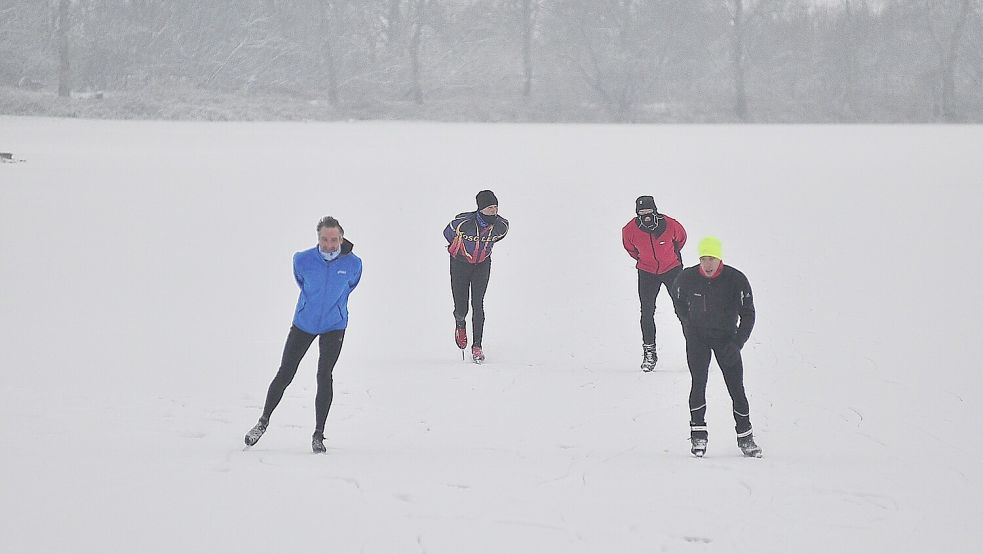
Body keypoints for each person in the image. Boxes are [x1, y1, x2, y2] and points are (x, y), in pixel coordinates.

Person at [244, 216, 362, 454]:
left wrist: (335, 309)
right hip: (304, 324)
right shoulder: (303, 260)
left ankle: (318, 434)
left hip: (334, 325)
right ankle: (263, 421)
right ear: (318, 238)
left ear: (341, 238)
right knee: (285, 372)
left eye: (334, 239)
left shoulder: (353, 263)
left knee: (324, 375)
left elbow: (351, 285)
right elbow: (302, 282)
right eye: (324, 239)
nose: (329, 244)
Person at [672, 236, 762, 458]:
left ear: (719, 258)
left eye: (711, 258)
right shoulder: (687, 278)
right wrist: (688, 323)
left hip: (726, 340)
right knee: (698, 384)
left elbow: (748, 314)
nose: (708, 264)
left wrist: (738, 342)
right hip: (698, 340)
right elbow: (678, 301)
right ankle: (698, 436)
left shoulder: (736, 279)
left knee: (736, 388)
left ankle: (746, 437)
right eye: (704, 259)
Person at [621, 195, 687, 371]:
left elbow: (681, 239)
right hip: (647, 272)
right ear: (637, 213)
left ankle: (695, 348)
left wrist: (670, 257)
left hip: (672, 269)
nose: (646, 215)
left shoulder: (671, 224)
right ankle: (649, 352)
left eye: (649, 211)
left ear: (655, 210)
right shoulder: (629, 230)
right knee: (647, 311)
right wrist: (646, 261)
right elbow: (631, 249)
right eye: (642, 212)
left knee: (683, 309)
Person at [443, 190, 509, 363]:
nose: (493, 211)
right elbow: (447, 233)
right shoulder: (463, 223)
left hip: (482, 265)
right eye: (489, 207)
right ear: (480, 209)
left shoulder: (502, 225)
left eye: (496, 207)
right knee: (461, 307)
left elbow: (499, 237)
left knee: (478, 303)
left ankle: (477, 346)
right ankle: (460, 324)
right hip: (460, 264)